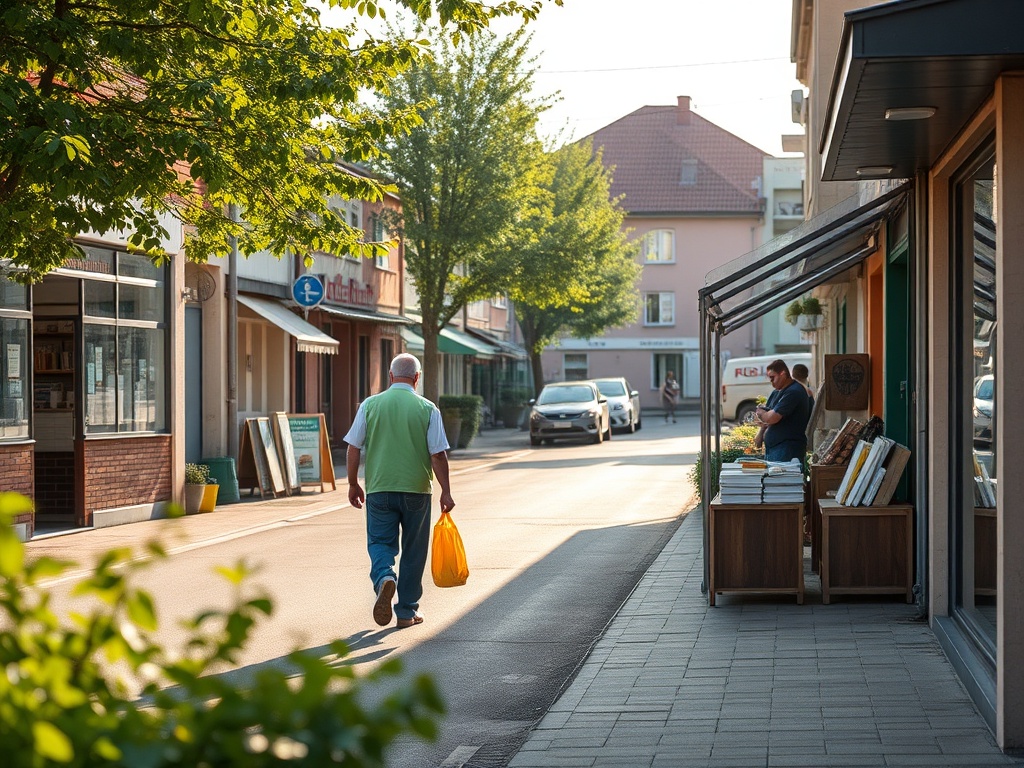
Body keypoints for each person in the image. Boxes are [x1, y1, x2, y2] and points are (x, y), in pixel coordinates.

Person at [345, 353, 455, 629]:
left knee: (380, 543)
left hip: (379, 489)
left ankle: (384, 577)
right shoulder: (428, 409)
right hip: (416, 490)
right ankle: (406, 612)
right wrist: (446, 491)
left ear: (390, 376)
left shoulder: (370, 405)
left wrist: (352, 483)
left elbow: (353, 447)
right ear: (417, 378)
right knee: (414, 551)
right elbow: (438, 454)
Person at [752, 359, 811, 462]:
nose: (771, 381)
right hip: (775, 449)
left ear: (783, 373)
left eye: (772, 377)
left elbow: (771, 418)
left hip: (787, 449)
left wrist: (762, 414)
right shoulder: (777, 392)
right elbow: (766, 417)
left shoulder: (794, 391)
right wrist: (761, 430)